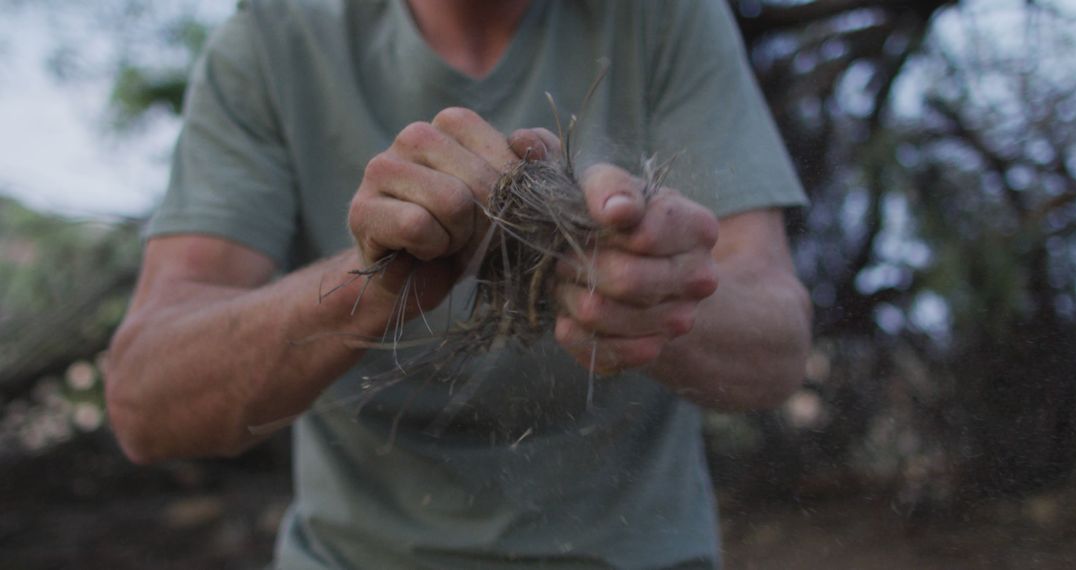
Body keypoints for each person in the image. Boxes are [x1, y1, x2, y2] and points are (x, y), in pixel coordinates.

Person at [104, 0, 811, 568]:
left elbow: (777, 349)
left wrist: (645, 287)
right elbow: (145, 401)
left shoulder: (665, 17)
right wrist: (373, 278)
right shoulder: (272, 39)